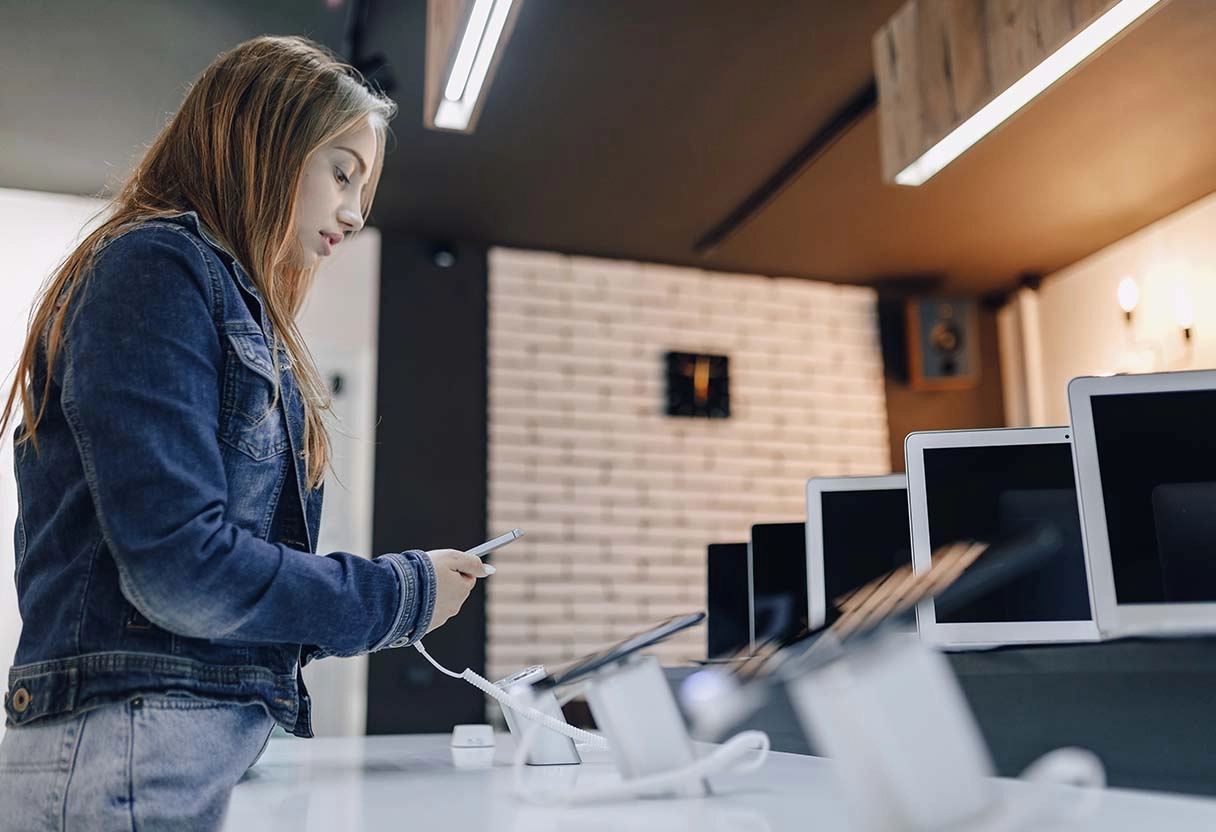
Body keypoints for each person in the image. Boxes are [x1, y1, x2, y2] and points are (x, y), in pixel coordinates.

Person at [0, 35, 489, 830]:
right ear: (267, 144)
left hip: (165, 746)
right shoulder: (155, 267)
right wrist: (397, 594)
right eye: (342, 173)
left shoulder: (220, 296)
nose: (356, 212)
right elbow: (182, 570)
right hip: (129, 749)